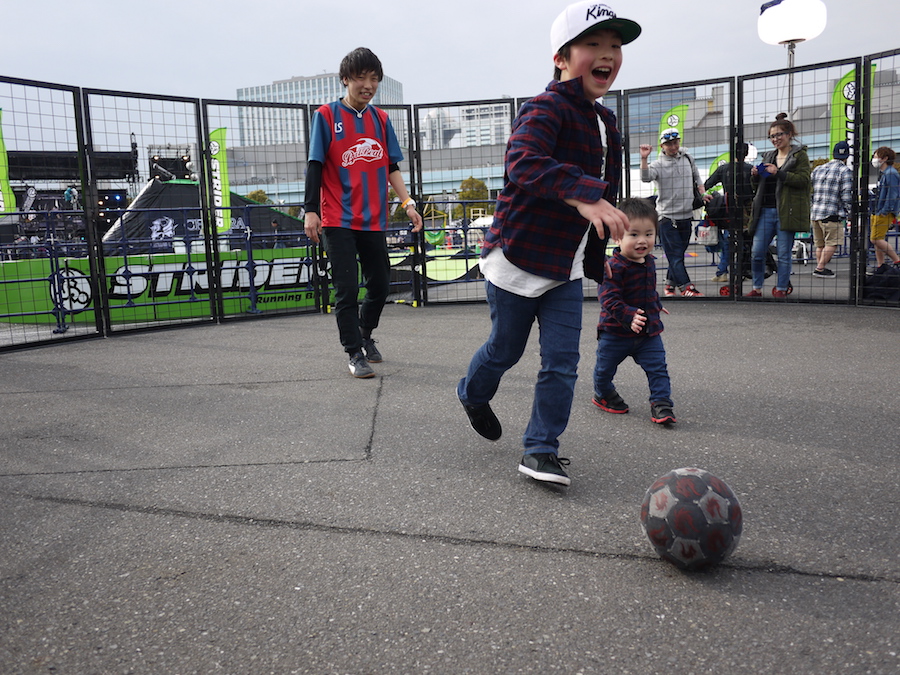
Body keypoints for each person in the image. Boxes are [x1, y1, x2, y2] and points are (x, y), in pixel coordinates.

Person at [457, 0, 640, 487]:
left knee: (561, 362)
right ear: (561, 57)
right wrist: (584, 197)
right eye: (594, 44)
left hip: (566, 265)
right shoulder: (544, 107)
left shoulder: (606, 121)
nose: (608, 55)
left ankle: (540, 450)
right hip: (518, 258)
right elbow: (523, 162)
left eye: (615, 46)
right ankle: (472, 393)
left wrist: (605, 238)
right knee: (504, 351)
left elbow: (602, 195)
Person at [304, 47, 423, 378]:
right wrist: (310, 210)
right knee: (346, 288)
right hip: (336, 218)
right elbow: (315, 164)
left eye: (374, 79)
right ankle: (354, 351)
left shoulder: (380, 119)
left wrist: (408, 204)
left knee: (381, 284)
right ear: (346, 80)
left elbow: (391, 166)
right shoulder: (326, 116)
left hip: (373, 219)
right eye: (361, 78)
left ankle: (365, 334)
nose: (368, 85)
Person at [592, 198, 675, 425]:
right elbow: (608, 298)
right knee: (604, 369)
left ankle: (662, 403)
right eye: (634, 234)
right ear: (617, 236)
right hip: (615, 333)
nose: (642, 241)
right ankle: (603, 393)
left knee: (658, 368)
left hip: (647, 332)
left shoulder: (648, 262)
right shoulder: (613, 267)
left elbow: (646, 290)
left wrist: (655, 304)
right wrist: (628, 315)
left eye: (648, 234)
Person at [747, 113, 810, 298]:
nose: (776, 139)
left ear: (789, 134)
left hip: (786, 211)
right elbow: (758, 187)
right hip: (765, 210)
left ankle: (781, 289)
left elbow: (804, 181)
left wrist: (779, 173)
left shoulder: (799, 156)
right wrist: (755, 176)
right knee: (756, 252)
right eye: (772, 136)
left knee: (783, 254)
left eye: (779, 134)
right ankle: (757, 287)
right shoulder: (768, 155)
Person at [640, 128, 708, 297]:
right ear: (662, 145)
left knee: (676, 254)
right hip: (667, 218)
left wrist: (703, 193)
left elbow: (697, 178)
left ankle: (669, 285)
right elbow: (645, 177)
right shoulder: (657, 164)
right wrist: (644, 158)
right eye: (669, 144)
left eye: (675, 142)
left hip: (686, 215)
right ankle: (686, 287)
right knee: (676, 255)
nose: (673, 146)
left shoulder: (687, 158)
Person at [704, 143, 754, 282]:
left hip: (728, 210)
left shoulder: (724, 168)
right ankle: (742, 270)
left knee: (728, 241)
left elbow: (707, 184)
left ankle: (722, 272)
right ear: (746, 153)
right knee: (745, 241)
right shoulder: (751, 169)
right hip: (748, 211)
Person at [809, 141, 854, 278]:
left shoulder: (818, 169)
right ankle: (820, 268)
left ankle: (821, 268)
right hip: (832, 213)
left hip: (816, 213)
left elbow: (811, 190)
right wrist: (850, 211)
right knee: (833, 243)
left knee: (820, 244)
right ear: (846, 156)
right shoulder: (845, 171)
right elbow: (846, 195)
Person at [868, 145, 900, 275]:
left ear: (885, 158)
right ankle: (881, 265)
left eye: (876, 156)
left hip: (883, 211)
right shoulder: (885, 174)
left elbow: (892, 194)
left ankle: (897, 261)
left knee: (875, 239)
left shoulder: (891, 174)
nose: (874, 159)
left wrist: (885, 210)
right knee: (877, 239)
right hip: (878, 210)